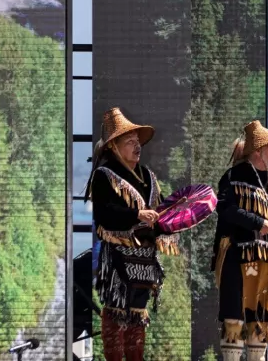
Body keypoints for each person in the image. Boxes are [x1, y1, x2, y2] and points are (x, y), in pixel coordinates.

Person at [88, 108, 168, 361]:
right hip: (118, 257)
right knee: (115, 315)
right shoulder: (104, 175)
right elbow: (104, 214)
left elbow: (161, 211)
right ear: (113, 146)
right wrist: (136, 215)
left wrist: (173, 218)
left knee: (137, 316)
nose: (137, 147)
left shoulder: (148, 176)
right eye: (130, 142)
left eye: (138, 142)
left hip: (144, 258)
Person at [212, 121, 268, 361]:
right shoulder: (233, 177)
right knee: (234, 317)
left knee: (261, 319)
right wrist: (256, 222)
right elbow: (225, 209)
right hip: (237, 258)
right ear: (258, 151)